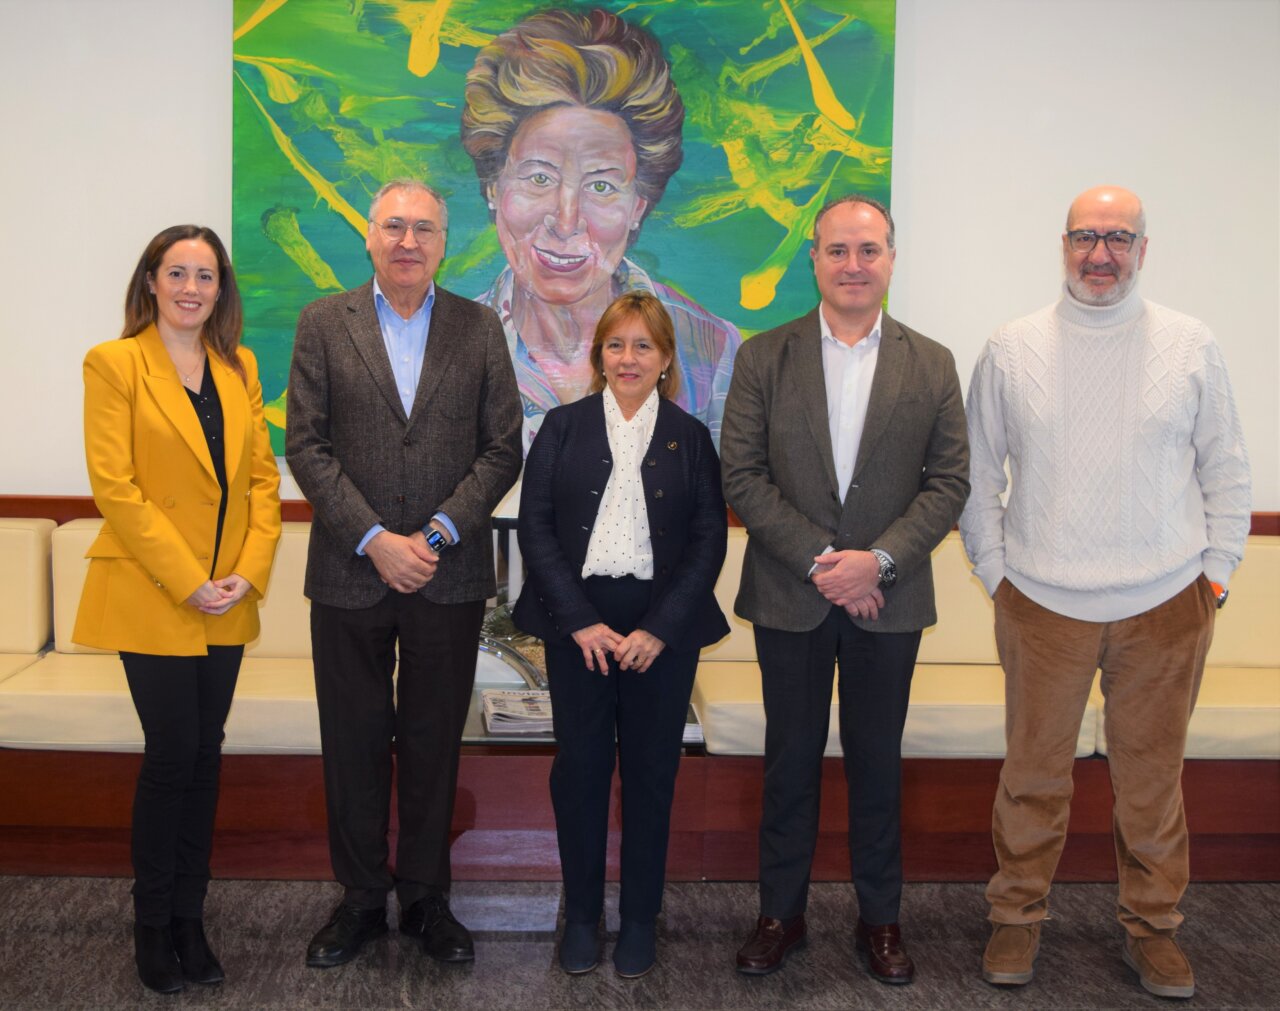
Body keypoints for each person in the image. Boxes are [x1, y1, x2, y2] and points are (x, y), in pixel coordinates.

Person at [959, 185, 1251, 1000]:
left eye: (1118, 237)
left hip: (1166, 606)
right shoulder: (1011, 347)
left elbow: (1226, 468)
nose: (1101, 254)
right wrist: (998, 576)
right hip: (1042, 605)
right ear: (1063, 245)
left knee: (1152, 785)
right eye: (1086, 236)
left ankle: (1154, 928)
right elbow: (978, 476)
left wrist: (1216, 575)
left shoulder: (1191, 345)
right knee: (1032, 777)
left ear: (1143, 249)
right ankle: (1016, 915)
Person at [720, 195, 969, 984]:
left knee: (876, 766)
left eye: (869, 250)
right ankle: (779, 915)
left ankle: (881, 919)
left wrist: (879, 562)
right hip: (790, 596)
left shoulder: (932, 362)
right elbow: (742, 475)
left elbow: (949, 481)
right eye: (837, 250)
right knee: (788, 764)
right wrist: (829, 562)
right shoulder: (764, 356)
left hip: (888, 603)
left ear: (891, 259)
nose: (853, 265)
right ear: (814, 260)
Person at [285, 179, 522, 969]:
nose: (408, 241)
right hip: (348, 570)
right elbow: (306, 445)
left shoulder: (479, 327)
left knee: (431, 742)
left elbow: (502, 448)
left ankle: (425, 897)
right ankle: (359, 898)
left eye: (424, 228)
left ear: (444, 242)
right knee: (351, 742)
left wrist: (438, 531)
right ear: (369, 236)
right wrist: (375, 538)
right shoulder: (324, 322)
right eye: (394, 226)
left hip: (447, 575)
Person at [74, 225, 282, 994]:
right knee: (171, 753)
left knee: (205, 754)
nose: (192, 288)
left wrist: (247, 573)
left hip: (225, 594)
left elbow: (262, 480)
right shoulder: (114, 362)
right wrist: (187, 577)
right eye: (177, 273)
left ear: (221, 288)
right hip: (153, 589)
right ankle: (153, 923)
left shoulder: (240, 366)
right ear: (151, 281)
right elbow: (116, 487)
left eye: (206, 275)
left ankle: (192, 918)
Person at [513, 291, 728, 979]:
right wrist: (579, 620)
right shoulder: (562, 427)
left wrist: (660, 630)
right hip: (576, 622)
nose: (628, 358)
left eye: (643, 346)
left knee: (651, 774)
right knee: (579, 771)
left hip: (662, 627)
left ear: (666, 358)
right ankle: (581, 917)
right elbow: (535, 528)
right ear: (598, 355)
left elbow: (709, 540)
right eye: (616, 344)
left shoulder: (691, 437)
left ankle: (639, 918)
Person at [461, 7, 741, 454]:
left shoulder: (710, 349)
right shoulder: (452, 347)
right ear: (494, 188)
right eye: (539, 177)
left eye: (601, 186)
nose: (566, 221)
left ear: (638, 207)